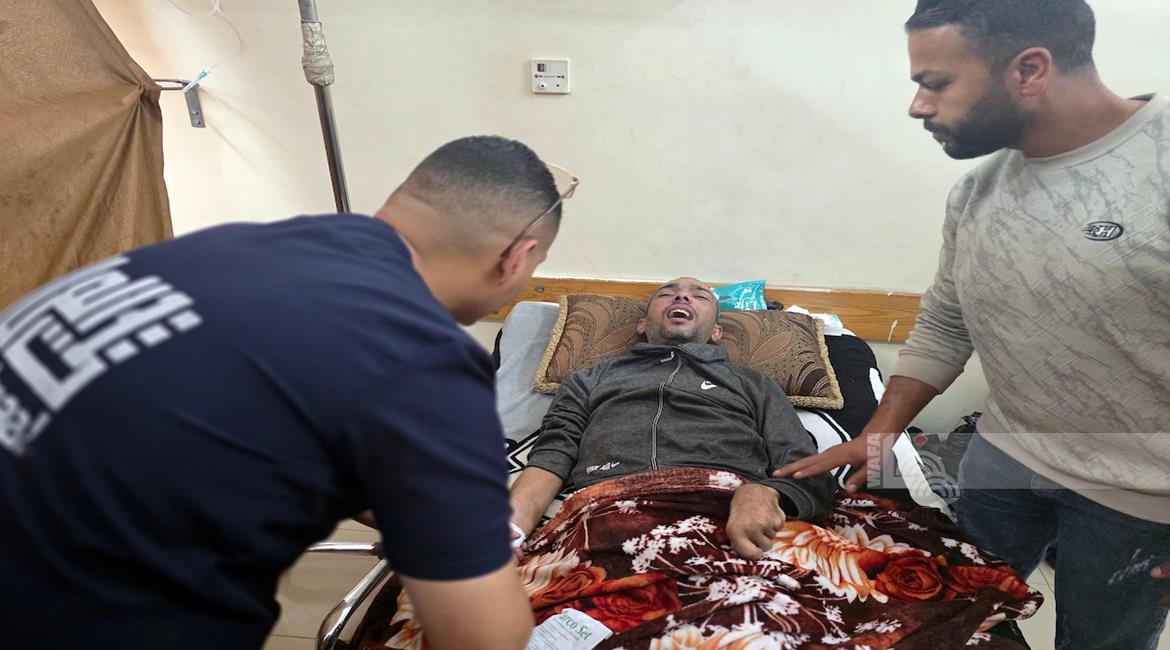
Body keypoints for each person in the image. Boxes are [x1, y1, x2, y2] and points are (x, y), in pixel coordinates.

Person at [0, 136, 574, 650]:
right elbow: (482, 637)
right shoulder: (417, 353)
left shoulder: (226, 249)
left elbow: (224, 426)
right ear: (516, 257)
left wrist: (417, 506)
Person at [775, 2, 1170, 647]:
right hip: (1003, 458)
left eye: (936, 83)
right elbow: (945, 323)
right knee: (951, 620)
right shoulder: (978, 191)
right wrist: (877, 437)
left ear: (1030, 71)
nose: (918, 106)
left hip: (1141, 495)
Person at [509, 278, 834, 561]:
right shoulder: (588, 379)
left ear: (717, 332)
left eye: (699, 295)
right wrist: (510, 531)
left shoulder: (755, 384)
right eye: (667, 293)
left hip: (730, 510)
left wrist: (766, 493)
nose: (682, 296)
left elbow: (806, 468)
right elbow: (552, 455)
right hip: (605, 507)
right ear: (641, 325)